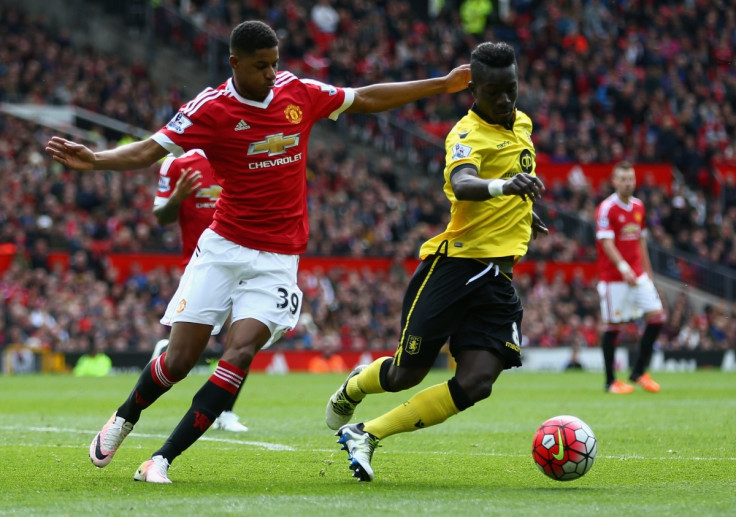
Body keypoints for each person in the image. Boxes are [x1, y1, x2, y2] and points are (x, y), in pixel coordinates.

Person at [45, 20, 471, 483]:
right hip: (222, 248)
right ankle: (125, 417)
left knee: (240, 352)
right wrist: (96, 159)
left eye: (275, 63)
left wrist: (442, 84)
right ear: (235, 64)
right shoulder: (211, 108)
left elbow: (364, 98)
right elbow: (149, 150)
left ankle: (161, 460)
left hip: (276, 260)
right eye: (261, 66)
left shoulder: (298, 93)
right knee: (179, 359)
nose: (272, 74)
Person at [324, 41, 548, 482]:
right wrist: (506, 188)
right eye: (493, 91)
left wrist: (524, 211)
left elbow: (506, 183)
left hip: (497, 278)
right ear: (473, 91)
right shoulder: (465, 136)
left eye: (511, 88)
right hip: (454, 269)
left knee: (478, 382)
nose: (504, 99)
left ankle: (366, 434)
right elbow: (464, 183)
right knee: (407, 372)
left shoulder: (522, 123)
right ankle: (354, 386)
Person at [152, 148, 247, 432]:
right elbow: (161, 217)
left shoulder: (242, 153)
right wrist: (177, 198)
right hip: (200, 263)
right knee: (194, 348)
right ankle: (167, 352)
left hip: (243, 260)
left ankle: (225, 411)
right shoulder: (176, 164)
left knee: (241, 338)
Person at [594, 161, 666, 394]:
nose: (628, 183)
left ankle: (638, 372)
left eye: (631, 179)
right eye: (623, 179)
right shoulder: (606, 208)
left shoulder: (639, 206)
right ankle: (610, 381)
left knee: (657, 317)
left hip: (638, 274)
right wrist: (624, 268)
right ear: (614, 181)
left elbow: (641, 241)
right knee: (613, 326)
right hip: (614, 277)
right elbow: (606, 242)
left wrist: (649, 273)